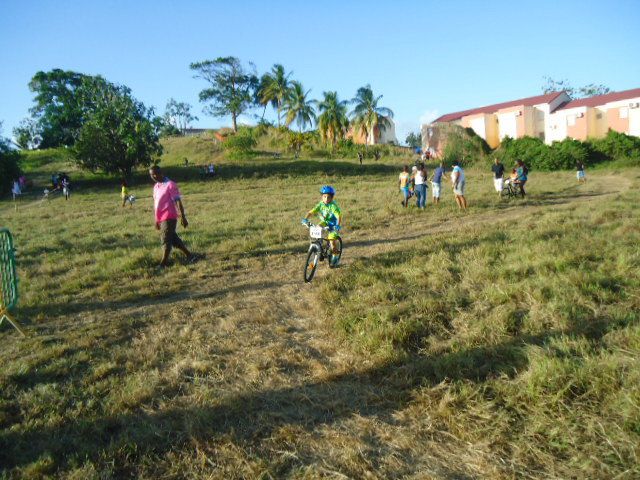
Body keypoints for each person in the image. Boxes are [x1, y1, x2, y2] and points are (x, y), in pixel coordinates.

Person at [149, 165, 197, 268]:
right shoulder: (156, 187)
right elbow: (156, 204)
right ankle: (190, 256)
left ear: (161, 172)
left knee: (165, 239)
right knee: (174, 239)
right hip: (161, 218)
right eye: (152, 175)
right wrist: (156, 220)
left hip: (169, 216)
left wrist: (183, 217)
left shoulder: (170, 185)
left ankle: (163, 263)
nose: (154, 176)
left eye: (156, 173)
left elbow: (178, 201)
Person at [302, 185, 342, 267]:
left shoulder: (333, 206)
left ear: (332, 198)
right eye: (324, 197)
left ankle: (335, 255)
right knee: (317, 228)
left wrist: (337, 225)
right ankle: (319, 246)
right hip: (325, 222)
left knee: (332, 241)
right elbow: (311, 212)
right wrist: (305, 219)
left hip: (333, 224)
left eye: (329, 197)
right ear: (322, 197)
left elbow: (338, 216)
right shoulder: (320, 204)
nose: (326, 199)